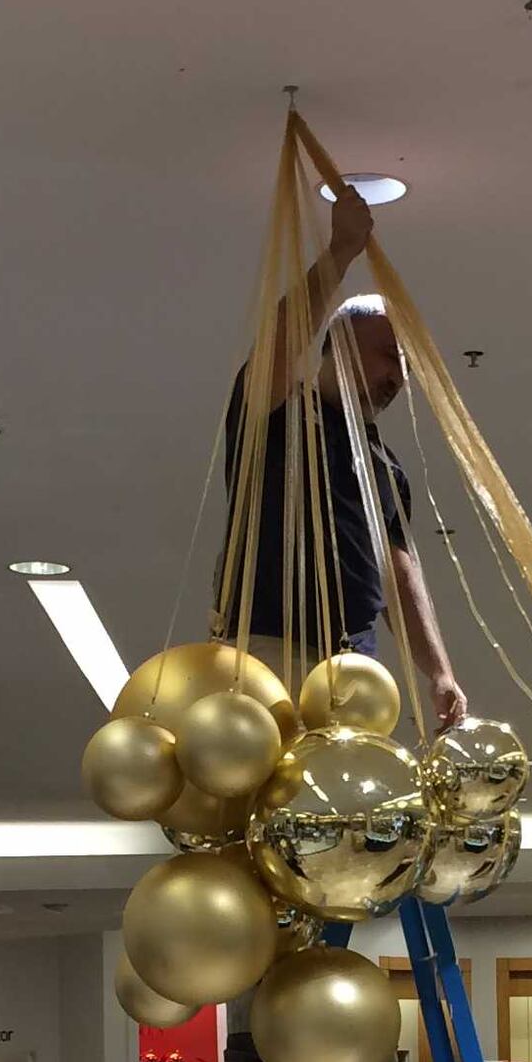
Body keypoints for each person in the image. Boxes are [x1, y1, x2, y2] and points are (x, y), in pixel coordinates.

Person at [217, 181, 468, 725]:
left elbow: (399, 570)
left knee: (348, 804)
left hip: (354, 657)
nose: (398, 376)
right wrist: (341, 254)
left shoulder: (384, 464)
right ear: (340, 343)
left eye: (406, 366)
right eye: (387, 355)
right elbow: (279, 342)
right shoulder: (278, 412)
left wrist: (438, 672)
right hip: (266, 648)